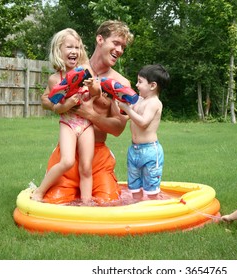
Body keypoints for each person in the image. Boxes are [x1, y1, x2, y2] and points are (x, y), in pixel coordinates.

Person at [39, 20, 134, 204]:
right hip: (69, 151)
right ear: (100, 39)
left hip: (96, 155)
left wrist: (90, 114)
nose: (120, 50)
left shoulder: (120, 84)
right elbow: (46, 98)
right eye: (115, 43)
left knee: (108, 203)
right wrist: (59, 106)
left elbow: (118, 129)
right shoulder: (75, 70)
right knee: (54, 204)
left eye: (123, 46)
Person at [32, 28, 100, 205]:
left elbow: (97, 94)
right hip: (68, 123)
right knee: (68, 161)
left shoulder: (86, 71)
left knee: (86, 166)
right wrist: (68, 103)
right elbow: (56, 107)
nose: (74, 51)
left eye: (77, 48)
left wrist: (92, 85)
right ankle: (39, 191)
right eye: (69, 47)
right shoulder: (56, 79)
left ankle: (86, 201)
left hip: (86, 124)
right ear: (58, 50)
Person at [117, 64, 170, 200]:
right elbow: (123, 112)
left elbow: (143, 122)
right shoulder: (139, 100)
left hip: (150, 151)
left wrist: (127, 109)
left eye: (140, 82)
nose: (137, 85)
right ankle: (137, 210)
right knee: (134, 186)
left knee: (151, 189)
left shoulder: (154, 103)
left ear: (152, 85)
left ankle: (153, 211)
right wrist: (116, 99)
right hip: (134, 150)